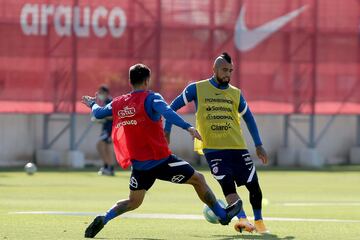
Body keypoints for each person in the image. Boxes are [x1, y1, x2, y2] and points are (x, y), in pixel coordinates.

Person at [81, 63, 242, 238]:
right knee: (198, 179)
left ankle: (105, 217)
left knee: (133, 201)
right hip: (161, 161)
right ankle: (222, 215)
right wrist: (187, 127)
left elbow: (98, 113)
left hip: (140, 166)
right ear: (147, 80)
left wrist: (92, 104)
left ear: (130, 81)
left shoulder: (120, 102)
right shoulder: (151, 98)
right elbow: (167, 112)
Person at [164, 52, 269, 234]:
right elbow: (171, 107)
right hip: (214, 151)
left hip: (238, 148)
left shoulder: (236, 93)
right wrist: (167, 130)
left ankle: (259, 222)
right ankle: (243, 221)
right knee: (228, 187)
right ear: (214, 69)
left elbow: (249, 118)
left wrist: (258, 144)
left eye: (231, 70)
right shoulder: (196, 89)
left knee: (254, 186)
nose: (228, 74)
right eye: (224, 70)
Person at [92, 85, 115, 176]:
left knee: (102, 146)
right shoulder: (105, 102)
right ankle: (107, 167)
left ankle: (109, 167)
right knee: (105, 147)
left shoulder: (110, 102)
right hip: (106, 128)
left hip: (109, 129)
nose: (99, 94)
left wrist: (101, 118)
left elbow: (114, 116)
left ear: (106, 93)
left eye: (101, 92)